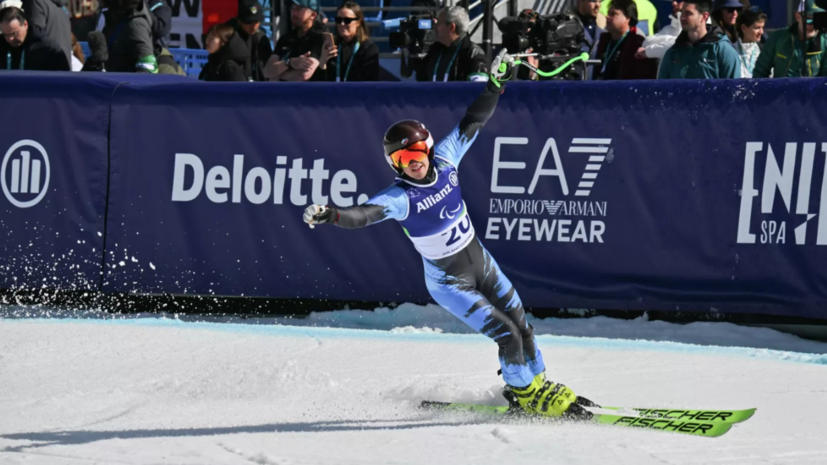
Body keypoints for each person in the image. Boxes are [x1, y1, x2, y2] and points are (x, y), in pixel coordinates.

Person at [302, 55, 585, 419]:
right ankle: (524, 393)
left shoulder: (447, 159)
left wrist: (496, 84)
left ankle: (536, 384)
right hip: (450, 282)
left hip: (480, 260)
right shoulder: (399, 197)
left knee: (523, 326)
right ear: (394, 164)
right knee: (507, 335)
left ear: (429, 148)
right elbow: (362, 215)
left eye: (417, 151)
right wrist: (332, 215)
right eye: (403, 157)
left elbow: (474, 119)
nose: (414, 161)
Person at [658, 0, 741, 79]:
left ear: (704, 16)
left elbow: (733, 90)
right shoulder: (673, 52)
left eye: (688, 13)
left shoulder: (724, 52)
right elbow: (661, 90)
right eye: (682, 12)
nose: (682, 17)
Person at [411, 5, 488, 82]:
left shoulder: (472, 53)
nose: (434, 26)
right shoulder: (435, 51)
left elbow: (478, 89)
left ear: (451, 27)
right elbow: (420, 79)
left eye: (438, 22)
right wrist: (414, 50)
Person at [753, 0, 827, 78]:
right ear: (798, 17)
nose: (812, 25)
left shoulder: (824, 42)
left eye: (818, 20)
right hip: (781, 90)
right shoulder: (778, 38)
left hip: (813, 90)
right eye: (809, 19)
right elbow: (760, 72)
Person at [594, 0, 658, 79]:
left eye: (613, 14)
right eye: (608, 13)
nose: (607, 16)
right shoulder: (604, 40)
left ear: (627, 19)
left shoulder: (637, 44)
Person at [264, 0, 325, 81]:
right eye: (292, 8)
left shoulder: (320, 37)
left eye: (299, 9)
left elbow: (303, 75)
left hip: (310, 92)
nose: (294, 13)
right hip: (284, 92)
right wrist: (290, 63)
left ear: (313, 15)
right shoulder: (286, 38)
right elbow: (267, 71)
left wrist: (278, 74)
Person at [320, 1, 379, 82]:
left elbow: (371, 83)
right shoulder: (334, 47)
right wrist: (323, 62)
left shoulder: (369, 49)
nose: (342, 24)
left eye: (347, 20)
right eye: (338, 20)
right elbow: (320, 83)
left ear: (358, 22)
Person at [0, 5, 68, 70]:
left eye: (14, 33)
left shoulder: (47, 49)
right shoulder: (2, 45)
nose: (9, 39)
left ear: (25, 25)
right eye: (5, 34)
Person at [100, 0, 156, 73]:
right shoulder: (114, 21)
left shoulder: (135, 24)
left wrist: (128, 83)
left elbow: (148, 67)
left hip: (121, 83)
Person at [226, 0, 272, 81]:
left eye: (256, 22)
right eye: (249, 22)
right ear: (239, 20)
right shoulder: (228, 35)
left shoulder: (261, 38)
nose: (254, 26)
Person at [734, 7, 765, 77]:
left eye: (762, 27)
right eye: (757, 28)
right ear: (744, 28)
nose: (761, 32)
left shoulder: (764, 51)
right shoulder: (732, 51)